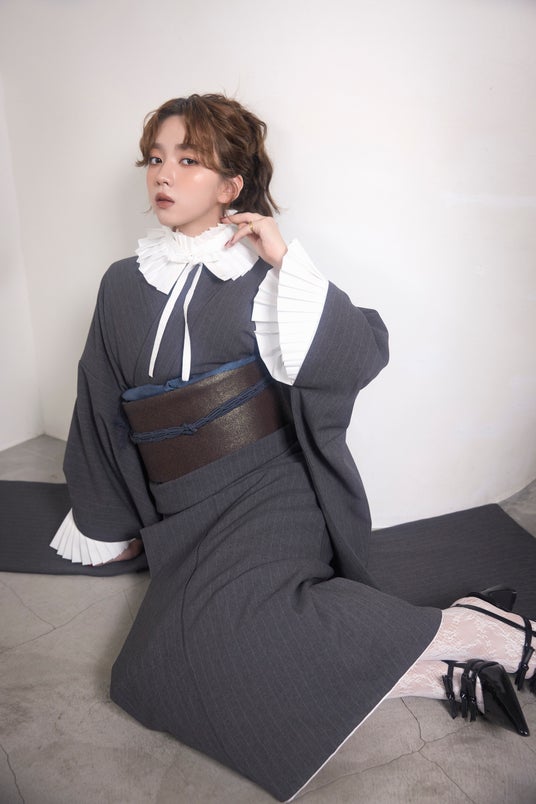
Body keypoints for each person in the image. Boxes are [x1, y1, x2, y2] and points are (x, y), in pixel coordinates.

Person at [9, 94, 536, 800]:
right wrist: (111, 520)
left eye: (188, 161)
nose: (163, 174)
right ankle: (440, 670)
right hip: (181, 509)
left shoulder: (266, 278)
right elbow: (100, 403)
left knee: (247, 627)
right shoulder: (121, 283)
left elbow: (360, 353)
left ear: (231, 185)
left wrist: (286, 261)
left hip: (268, 491)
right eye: (156, 159)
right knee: (147, 676)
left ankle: (476, 633)